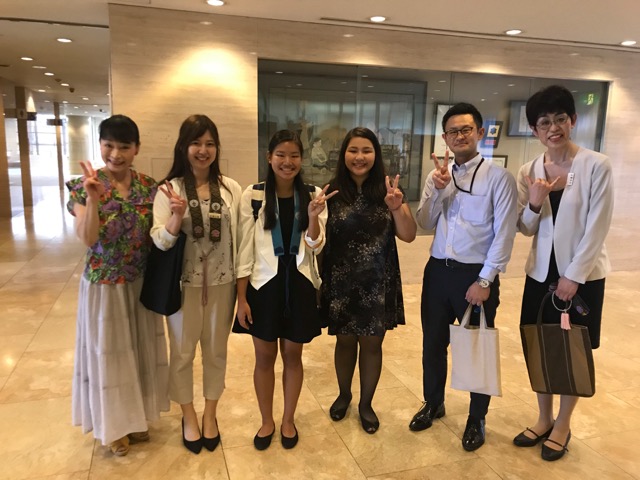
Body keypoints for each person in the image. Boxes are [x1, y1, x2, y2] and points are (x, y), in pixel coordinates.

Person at [512, 85, 613, 461]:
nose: (552, 128)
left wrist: (574, 276)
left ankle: (564, 423)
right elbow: (524, 228)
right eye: (543, 122)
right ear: (535, 130)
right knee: (539, 346)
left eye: (559, 119)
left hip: (582, 276)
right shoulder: (529, 170)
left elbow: (597, 226)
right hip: (539, 274)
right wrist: (535, 204)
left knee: (572, 351)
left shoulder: (595, 164)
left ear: (572, 121)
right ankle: (543, 417)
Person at [411, 103, 517, 451]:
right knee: (432, 344)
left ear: (480, 133)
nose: (459, 136)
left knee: (476, 349)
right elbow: (425, 223)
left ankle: (477, 417)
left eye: (466, 130)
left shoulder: (499, 178)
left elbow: (504, 234)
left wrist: (485, 280)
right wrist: (440, 189)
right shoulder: (436, 176)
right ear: (444, 138)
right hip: (438, 271)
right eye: (453, 131)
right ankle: (433, 402)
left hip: (475, 276)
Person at [67, 114, 169, 457]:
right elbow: (87, 238)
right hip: (104, 286)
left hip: (140, 283)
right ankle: (113, 428)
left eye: (124, 146)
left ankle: (136, 419)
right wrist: (94, 198)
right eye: (109, 145)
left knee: (139, 354)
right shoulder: (81, 186)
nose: (116, 154)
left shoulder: (148, 186)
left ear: (136, 149)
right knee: (110, 358)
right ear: (100, 146)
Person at [233, 130, 335, 450]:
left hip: (301, 284)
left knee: (293, 355)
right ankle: (267, 420)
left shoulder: (314, 194)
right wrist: (240, 299)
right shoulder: (253, 194)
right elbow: (243, 249)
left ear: (301, 159)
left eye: (293, 156)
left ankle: (288, 419)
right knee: (264, 358)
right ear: (269, 157)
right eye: (281, 155)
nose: (287, 162)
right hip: (263, 285)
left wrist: (314, 218)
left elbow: (316, 246)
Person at [150, 114, 242, 454]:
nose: (203, 151)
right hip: (183, 286)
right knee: (183, 354)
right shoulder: (169, 189)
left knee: (216, 352)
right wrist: (175, 217)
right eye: (196, 143)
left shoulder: (231, 188)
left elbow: (240, 238)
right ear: (183, 147)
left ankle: (210, 415)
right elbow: (159, 241)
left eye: (209, 144)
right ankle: (188, 415)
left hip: (223, 284)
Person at [321, 127, 417, 434]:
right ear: (344, 155)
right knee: (345, 341)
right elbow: (319, 240)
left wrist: (396, 208)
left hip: (378, 281)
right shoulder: (331, 191)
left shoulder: (388, 191)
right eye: (353, 150)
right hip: (341, 281)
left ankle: (366, 404)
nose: (359, 157)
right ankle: (344, 395)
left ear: (376, 155)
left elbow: (409, 235)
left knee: (372, 344)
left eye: (366, 150)